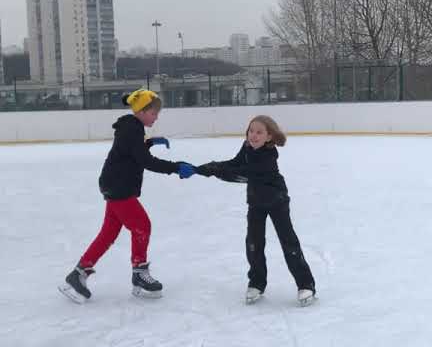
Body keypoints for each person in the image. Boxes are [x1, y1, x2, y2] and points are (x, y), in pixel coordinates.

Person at [59, 89, 196, 303]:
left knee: (109, 233)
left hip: (113, 184)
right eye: (154, 113)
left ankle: (78, 274)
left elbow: (133, 152)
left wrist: (149, 143)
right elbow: (145, 161)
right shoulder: (132, 129)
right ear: (142, 111)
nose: (156, 117)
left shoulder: (132, 128)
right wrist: (176, 167)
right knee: (142, 225)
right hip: (119, 187)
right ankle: (139, 274)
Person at [196, 115, 316, 306]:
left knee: (288, 241)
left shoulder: (268, 156)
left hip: (277, 201)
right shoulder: (246, 147)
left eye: (259, 132)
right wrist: (208, 167)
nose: (253, 135)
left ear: (269, 137)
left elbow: (242, 173)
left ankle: (306, 284)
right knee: (253, 242)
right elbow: (235, 163)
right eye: (251, 130)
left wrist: (215, 170)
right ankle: (257, 282)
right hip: (256, 202)